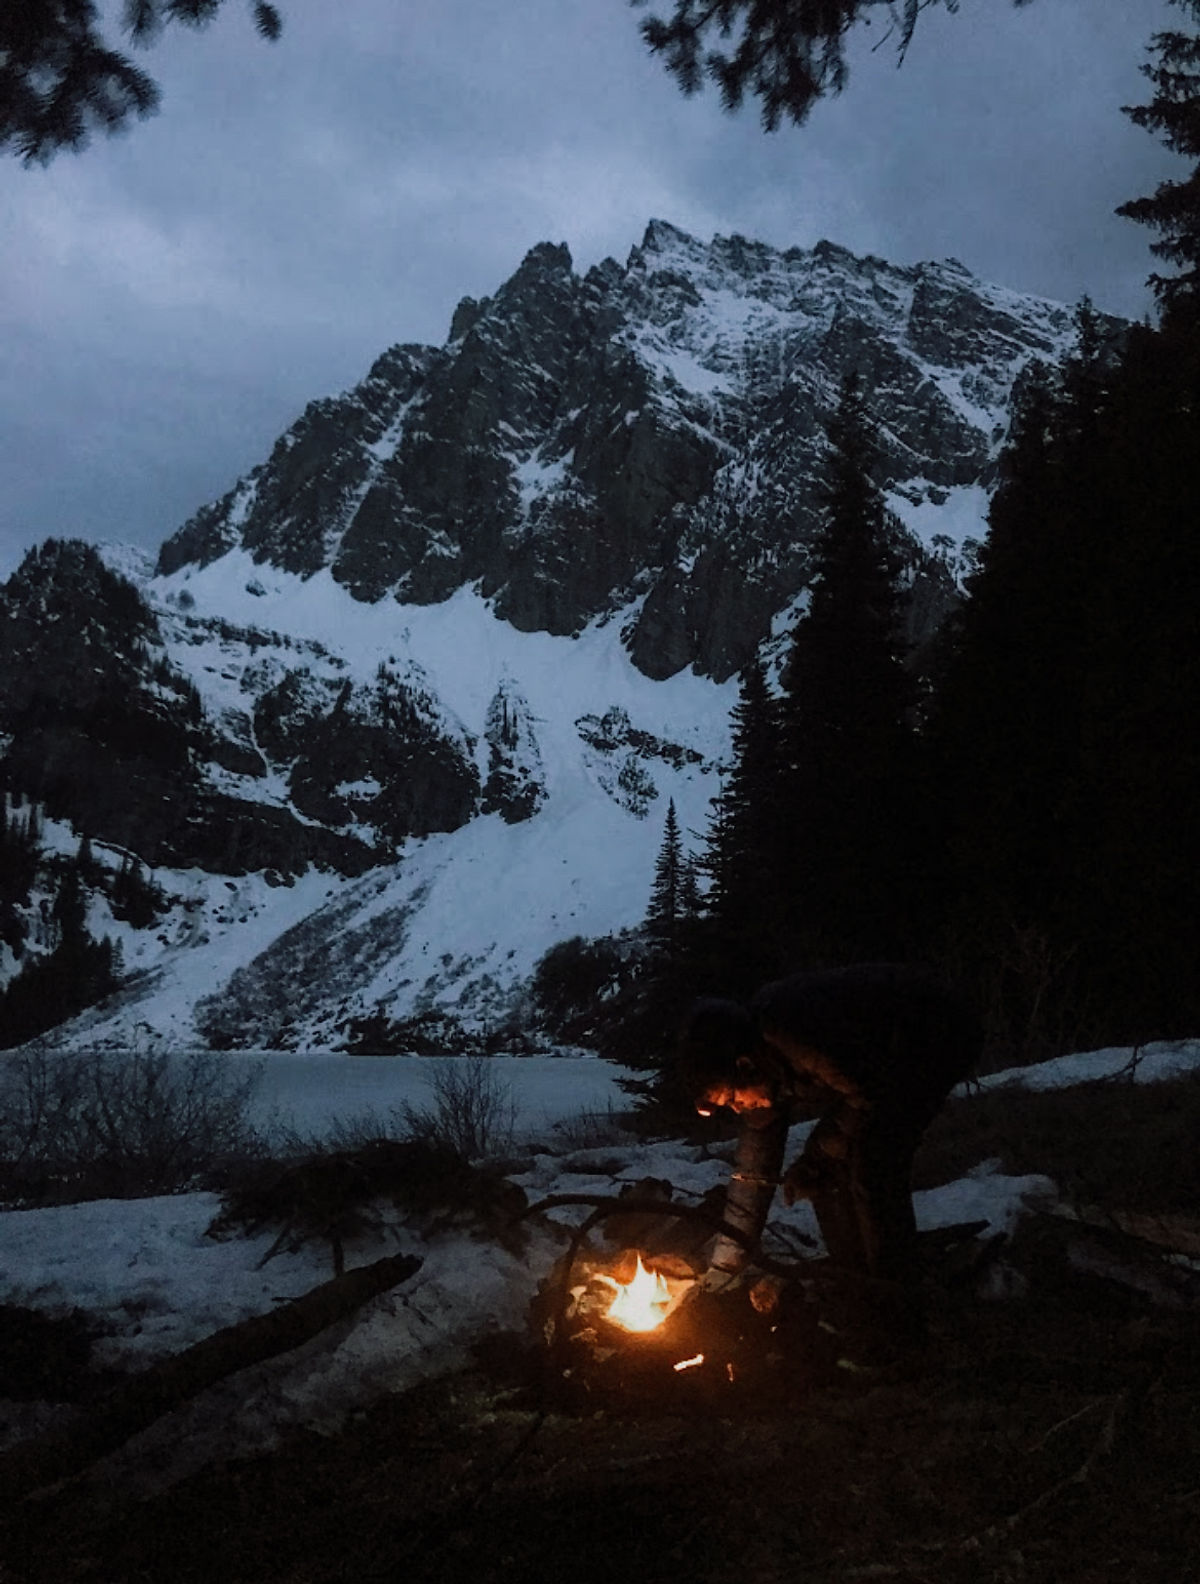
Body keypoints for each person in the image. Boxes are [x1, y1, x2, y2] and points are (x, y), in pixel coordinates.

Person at [678, 964, 981, 1306]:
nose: (737, 1109)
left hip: (931, 1035)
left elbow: (868, 1095)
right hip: (871, 1073)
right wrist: (724, 1269)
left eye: (732, 1099)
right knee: (819, 1176)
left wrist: (818, 1155)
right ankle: (852, 1274)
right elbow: (751, 1175)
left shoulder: (795, 1032)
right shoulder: (759, 1072)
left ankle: (893, 1292)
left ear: (746, 1065)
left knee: (872, 1164)